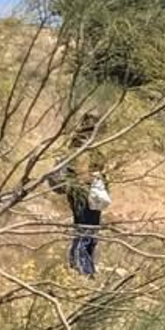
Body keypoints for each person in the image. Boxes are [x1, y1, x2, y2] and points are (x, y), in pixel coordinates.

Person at [50, 115, 108, 278]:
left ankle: (83, 268)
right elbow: (81, 175)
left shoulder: (83, 147)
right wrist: (96, 177)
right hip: (82, 194)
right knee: (86, 231)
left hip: (86, 194)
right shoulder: (81, 149)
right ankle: (82, 270)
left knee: (89, 231)